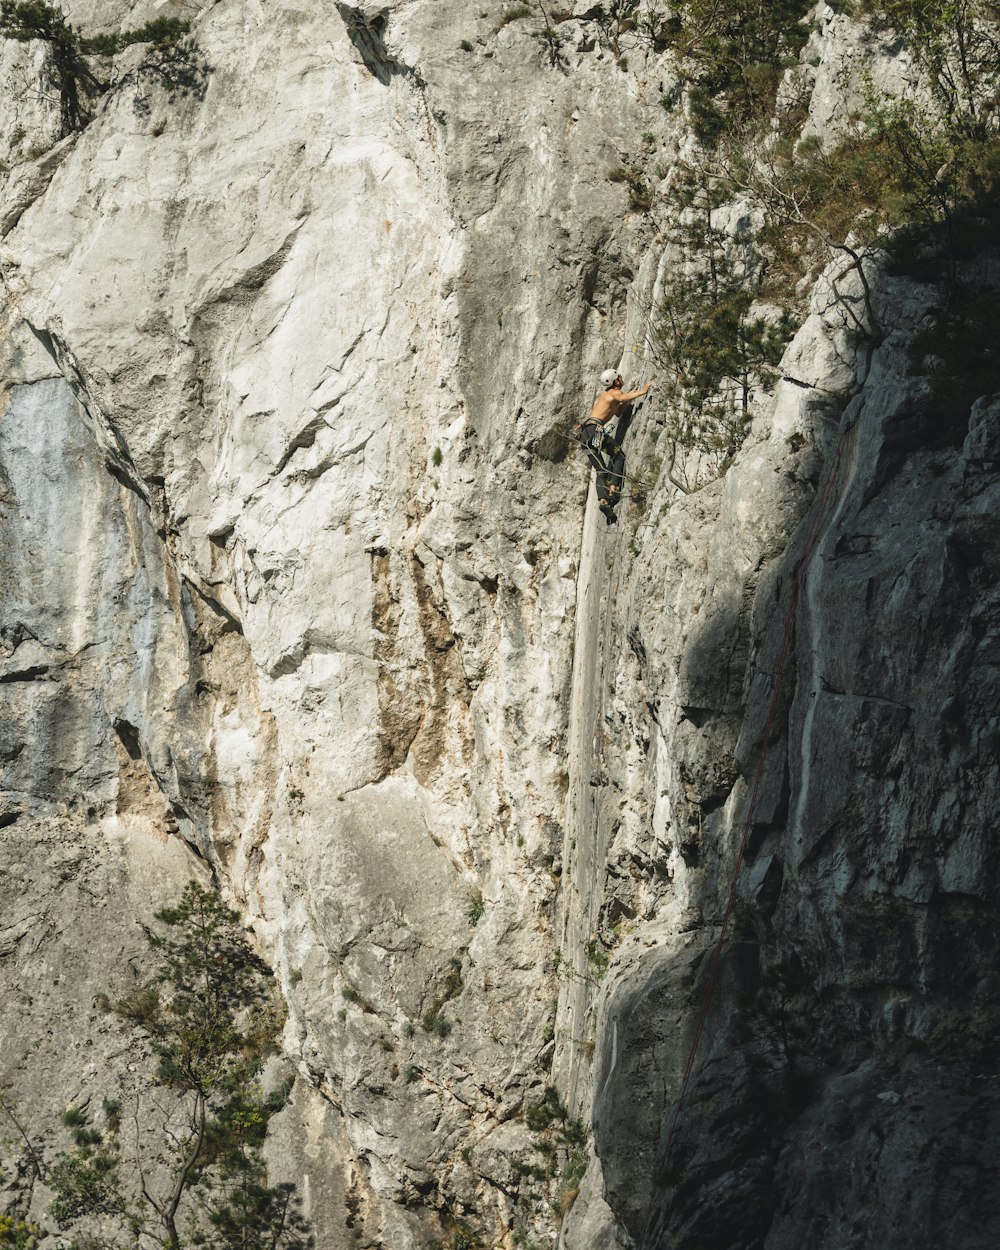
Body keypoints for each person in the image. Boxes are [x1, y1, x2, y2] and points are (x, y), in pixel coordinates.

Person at [579, 369, 653, 525]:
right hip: (595, 430)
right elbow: (622, 396)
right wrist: (642, 391)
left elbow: (618, 412)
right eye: (619, 377)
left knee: (600, 469)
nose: (621, 377)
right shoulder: (613, 393)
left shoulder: (608, 396)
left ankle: (604, 501)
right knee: (618, 455)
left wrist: (625, 401)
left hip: (585, 434)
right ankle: (613, 488)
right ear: (616, 381)